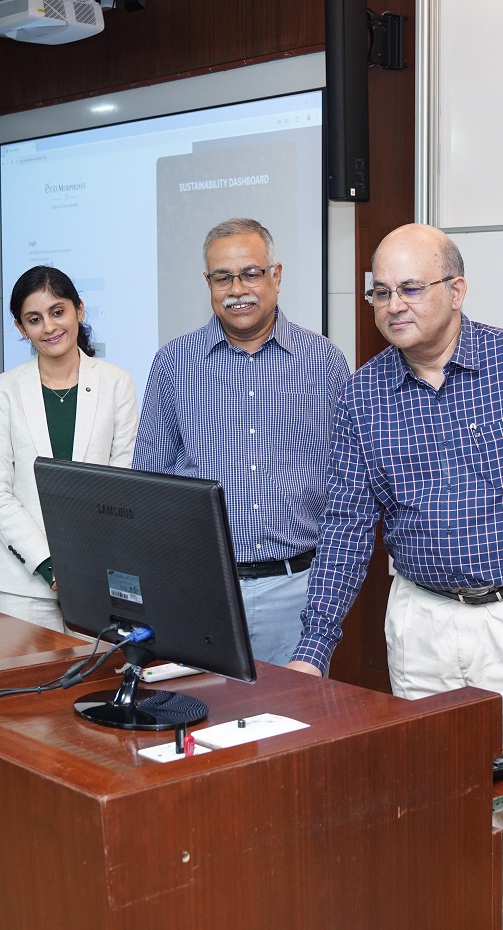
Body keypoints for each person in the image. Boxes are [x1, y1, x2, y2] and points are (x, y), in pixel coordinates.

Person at [286, 223, 503, 930]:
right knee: (430, 800)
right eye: (378, 292)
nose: (392, 306)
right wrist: (313, 646)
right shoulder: (363, 392)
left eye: (410, 288)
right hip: (423, 619)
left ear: (456, 290)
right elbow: (346, 525)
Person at [133, 218, 349, 665]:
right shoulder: (174, 363)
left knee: (289, 726)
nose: (237, 288)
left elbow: (347, 483)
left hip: (297, 591)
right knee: (199, 719)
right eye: (222, 277)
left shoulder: (324, 361)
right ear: (208, 283)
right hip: (200, 589)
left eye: (250, 273)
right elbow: (147, 482)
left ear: (276, 275)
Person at [0, 266, 140, 632]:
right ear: (21, 328)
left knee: (93, 686)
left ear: (79, 310)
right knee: (24, 687)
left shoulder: (116, 383)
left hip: (99, 577)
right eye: (34, 319)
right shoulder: (4, 391)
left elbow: (123, 481)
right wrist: (49, 564)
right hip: (20, 583)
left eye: (57, 312)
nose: (49, 327)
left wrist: (86, 564)